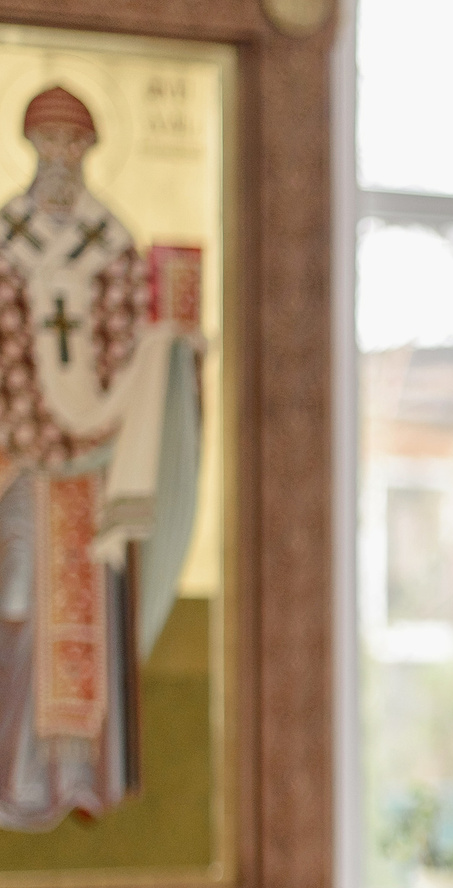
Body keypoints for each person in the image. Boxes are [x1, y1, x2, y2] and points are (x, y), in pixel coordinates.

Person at [0, 83, 205, 831]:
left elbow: (134, 347)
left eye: (71, 144)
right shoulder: (5, 238)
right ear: (31, 149)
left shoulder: (110, 242)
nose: (59, 158)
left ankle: (77, 776)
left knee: (87, 617)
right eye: (46, 143)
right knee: (18, 605)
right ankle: (16, 773)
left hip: (95, 465)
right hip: (20, 460)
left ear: (87, 153)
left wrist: (175, 347)